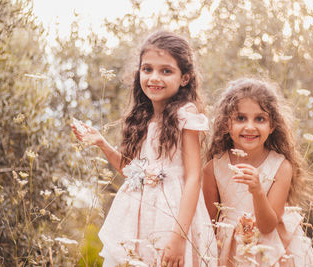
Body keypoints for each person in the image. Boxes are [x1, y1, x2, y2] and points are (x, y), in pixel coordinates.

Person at [72, 31, 217, 266]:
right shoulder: (141, 119)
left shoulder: (185, 116)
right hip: (136, 220)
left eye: (166, 71)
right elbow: (132, 173)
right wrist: (101, 143)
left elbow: (193, 178)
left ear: (185, 78)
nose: (154, 77)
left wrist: (179, 237)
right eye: (147, 69)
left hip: (171, 218)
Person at [202, 78, 313, 266]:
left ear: (272, 125)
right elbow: (208, 224)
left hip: (270, 251)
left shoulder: (281, 166)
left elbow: (267, 227)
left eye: (260, 118)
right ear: (227, 124)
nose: (250, 126)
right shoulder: (213, 169)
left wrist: (258, 191)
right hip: (229, 251)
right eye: (241, 118)